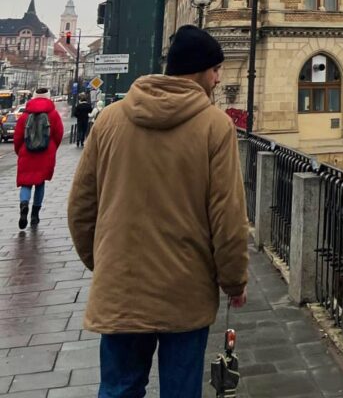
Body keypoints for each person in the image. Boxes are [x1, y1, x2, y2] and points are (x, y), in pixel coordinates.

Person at [68, 25, 248, 398]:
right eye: (216, 69)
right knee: (181, 390)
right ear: (200, 71)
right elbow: (227, 217)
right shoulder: (215, 126)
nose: (218, 78)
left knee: (119, 388)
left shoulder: (111, 120)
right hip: (185, 291)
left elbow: (81, 208)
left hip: (121, 287)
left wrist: (104, 262)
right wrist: (234, 281)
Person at [14, 86, 64, 229]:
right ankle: (35, 215)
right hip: (45, 153)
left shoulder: (25, 115)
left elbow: (17, 137)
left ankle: (24, 205)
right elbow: (58, 134)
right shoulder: (53, 114)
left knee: (26, 183)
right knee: (40, 183)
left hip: (27, 152)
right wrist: (52, 148)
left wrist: (20, 151)